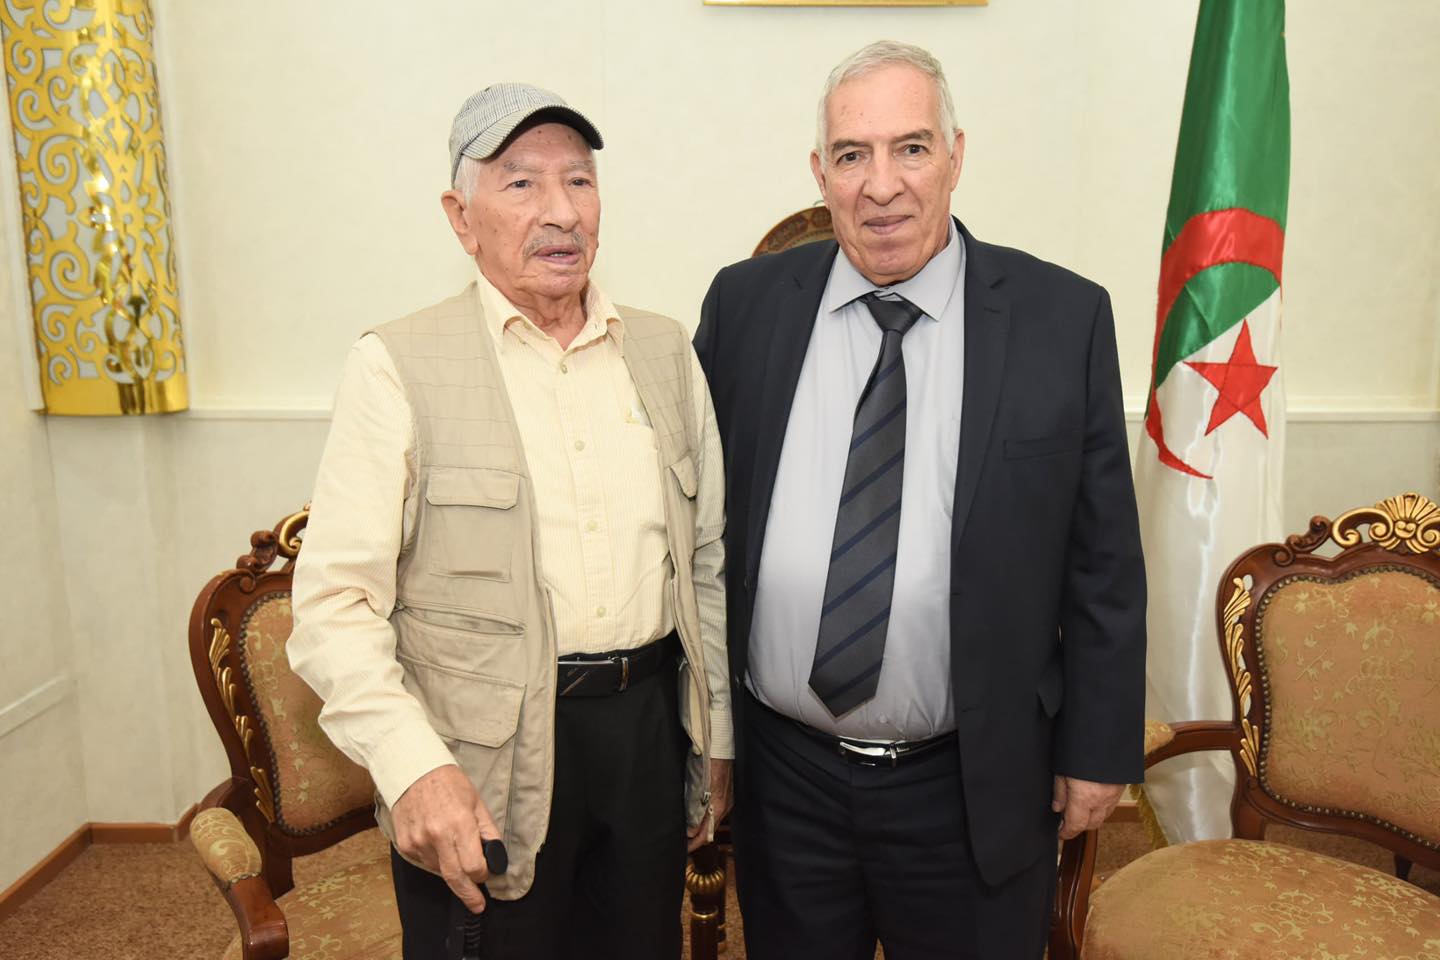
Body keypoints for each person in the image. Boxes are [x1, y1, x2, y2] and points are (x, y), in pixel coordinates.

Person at [694, 41, 1146, 959]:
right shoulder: (745, 308)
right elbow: (695, 529)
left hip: (973, 781)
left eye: (910, 148)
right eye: (852, 155)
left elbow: (1102, 562)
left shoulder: (1061, 319)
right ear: (820, 173)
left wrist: (1098, 749)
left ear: (955, 155)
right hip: (789, 781)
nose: (882, 185)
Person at [289, 82, 732, 960]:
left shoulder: (665, 350)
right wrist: (413, 768)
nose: (559, 210)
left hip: (646, 737)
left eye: (579, 180)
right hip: (480, 757)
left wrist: (715, 739)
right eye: (521, 183)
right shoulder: (395, 364)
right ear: (462, 218)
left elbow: (707, 562)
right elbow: (335, 604)